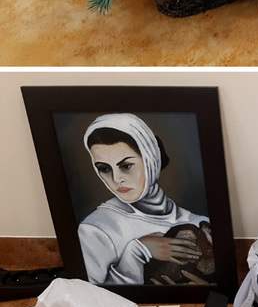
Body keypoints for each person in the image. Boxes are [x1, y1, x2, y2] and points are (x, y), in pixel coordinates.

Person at [79, 113, 209, 285]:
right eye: (104, 168)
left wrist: (205, 290)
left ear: (151, 159)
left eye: (126, 166)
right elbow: (89, 296)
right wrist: (136, 252)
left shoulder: (199, 222)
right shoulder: (96, 229)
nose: (117, 179)